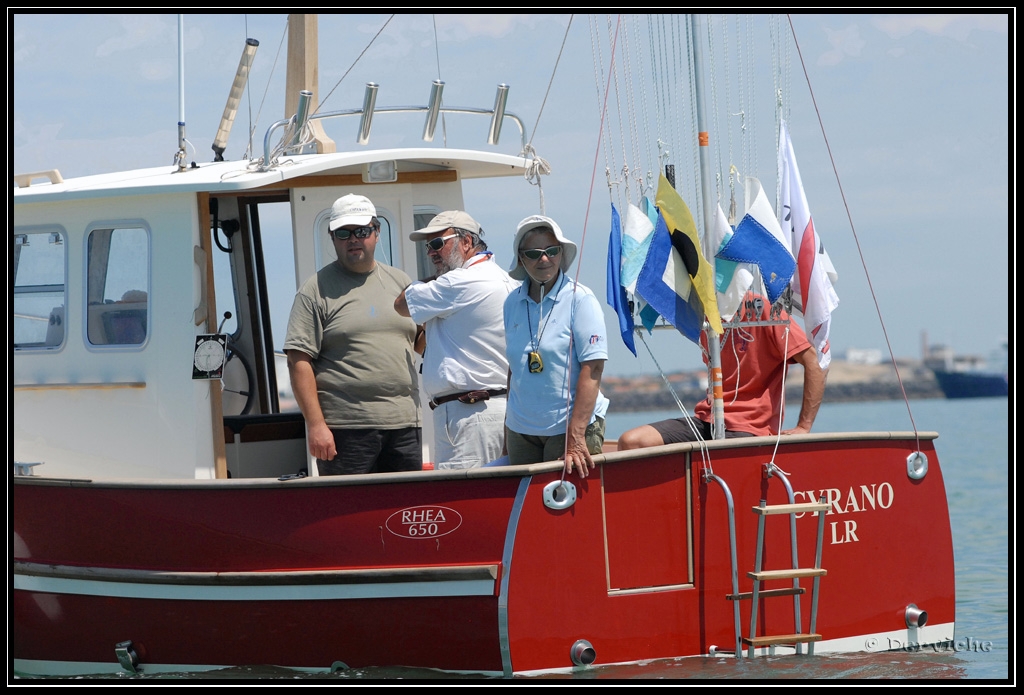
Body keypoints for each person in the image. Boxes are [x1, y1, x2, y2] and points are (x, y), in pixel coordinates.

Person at [284, 193, 422, 475]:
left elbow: (420, 344)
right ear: (332, 237)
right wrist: (316, 425)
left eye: (361, 231)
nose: (353, 239)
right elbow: (298, 361)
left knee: (402, 514)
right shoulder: (315, 290)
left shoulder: (402, 282)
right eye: (344, 233)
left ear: (377, 232)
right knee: (348, 515)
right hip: (346, 430)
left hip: (406, 425)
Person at [616, 292, 825, 449]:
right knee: (630, 442)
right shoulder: (704, 313)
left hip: (750, 428)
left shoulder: (764, 307)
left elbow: (813, 363)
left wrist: (803, 427)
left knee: (720, 458)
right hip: (708, 420)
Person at [394, 210, 519, 469]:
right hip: (500, 411)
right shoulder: (505, 280)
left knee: (465, 502)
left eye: (438, 243)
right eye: (428, 245)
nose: (430, 251)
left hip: (468, 418)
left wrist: (428, 281)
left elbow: (401, 304)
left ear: (466, 242)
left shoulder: (457, 282)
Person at [503, 215, 609, 478]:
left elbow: (594, 367)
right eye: (534, 253)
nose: (544, 259)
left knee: (569, 516)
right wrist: (507, 431)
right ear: (521, 258)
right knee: (525, 512)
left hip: (567, 430)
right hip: (521, 430)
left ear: (561, 254)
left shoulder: (581, 299)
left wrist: (576, 435)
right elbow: (515, 368)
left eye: (552, 251)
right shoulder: (511, 303)